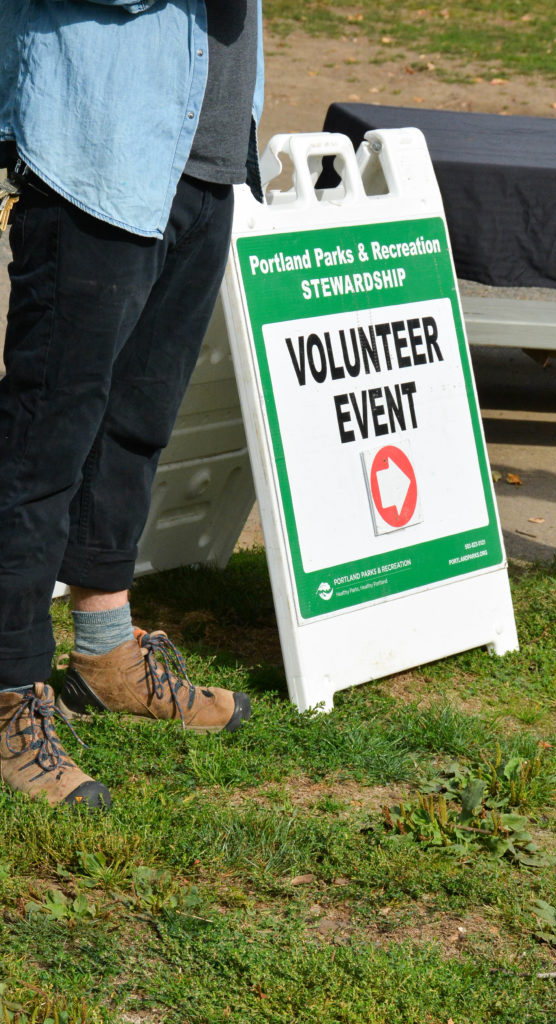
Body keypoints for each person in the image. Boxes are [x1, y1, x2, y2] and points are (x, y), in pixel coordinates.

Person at [0, 0, 264, 808]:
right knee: (45, 443)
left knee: (136, 428)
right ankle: (9, 694)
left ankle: (107, 654)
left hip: (206, 155)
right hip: (97, 150)